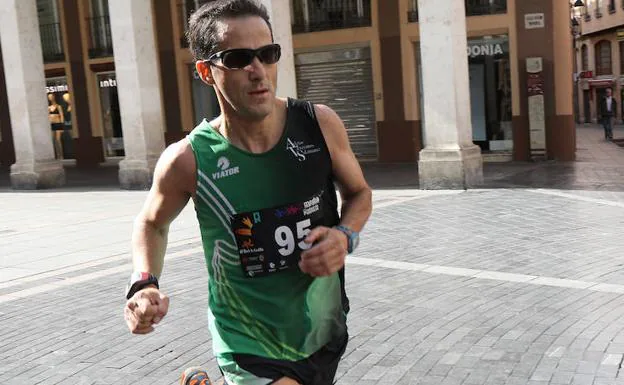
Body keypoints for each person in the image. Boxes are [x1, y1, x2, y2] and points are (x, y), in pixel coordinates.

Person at [122, 1, 372, 384]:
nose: (258, 71)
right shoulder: (188, 159)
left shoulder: (318, 124)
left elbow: (358, 194)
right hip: (247, 342)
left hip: (322, 328)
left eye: (267, 54)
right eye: (238, 58)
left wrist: (345, 234)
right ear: (206, 71)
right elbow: (152, 222)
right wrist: (144, 282)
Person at [48, 93, 65, 159]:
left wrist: (62, 125)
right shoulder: (49, 107)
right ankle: (55, 155)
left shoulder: (58, 106)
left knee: (58, 140)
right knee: (53, 140)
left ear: (54, 97)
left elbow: (62, 116)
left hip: (58, 123)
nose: (50, 98)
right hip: (51, 124)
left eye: (51, 96)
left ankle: (61, 155)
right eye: (49, 97)